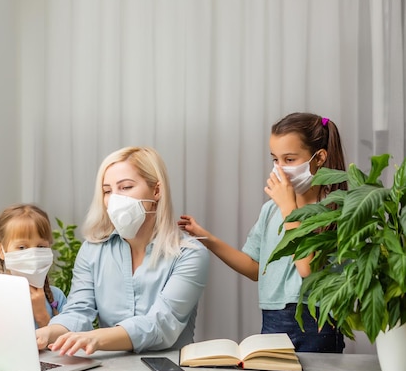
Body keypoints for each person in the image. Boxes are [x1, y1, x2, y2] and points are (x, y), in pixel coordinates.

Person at [178, 112, 346, 352]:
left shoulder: (335, 208)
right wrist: (206, 238)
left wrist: (289, 207)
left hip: (317, 322)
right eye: (275, 160)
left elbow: (307, 268)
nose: (279, 169)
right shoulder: (271, 210)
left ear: (318, 158)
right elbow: (256, 268)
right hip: (273, 319)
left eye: (289, 159)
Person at [35, 146, 210, 355]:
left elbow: (162, 325)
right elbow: (78, 312)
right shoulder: (92, 250)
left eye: (126, 187)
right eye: (107, 191)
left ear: (156, 191)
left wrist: (95, 338)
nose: (115, 199)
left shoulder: (190, 254)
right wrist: (47, 333)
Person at [0, 203, 67, 328]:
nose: (33, 254)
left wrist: (42, 315)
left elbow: (68, 343)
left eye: (41, 246)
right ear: (1, 250)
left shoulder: (56, 297)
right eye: (22, 247)